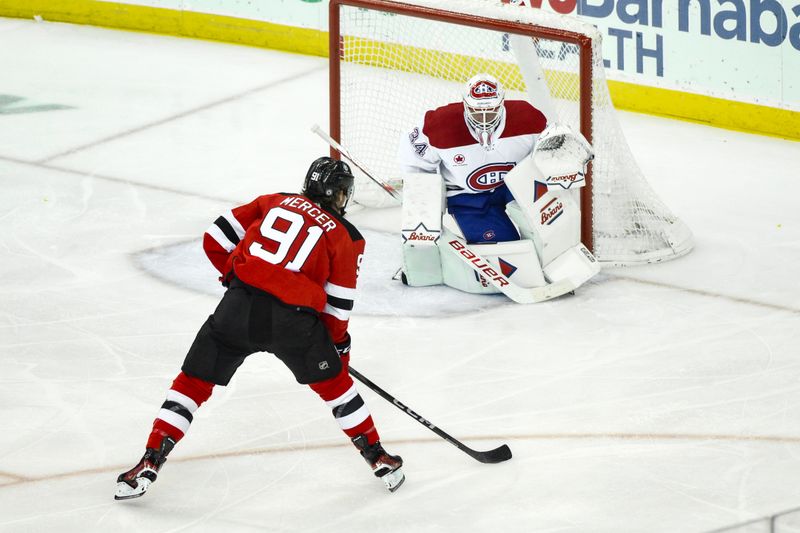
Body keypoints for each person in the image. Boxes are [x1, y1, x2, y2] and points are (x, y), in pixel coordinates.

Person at [115, 157, 405, 500]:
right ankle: (379, 459)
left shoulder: (273, 201)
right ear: (338, 194)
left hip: (238, 308)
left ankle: (150, 460)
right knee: (338, 390)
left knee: (192, 384)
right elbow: (338, 306)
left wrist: (237, 279)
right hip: (294, 323)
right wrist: (337, 349)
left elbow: (214, 238)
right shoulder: (347, 236)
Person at [398, 73, 548, 244]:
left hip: (516, 187)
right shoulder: (438, 126)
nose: (484, 120)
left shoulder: (528, 118)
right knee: (504, 250)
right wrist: (422, 201)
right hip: (468, 198)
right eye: (477, 112)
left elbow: (547, 152)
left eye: (490, 112)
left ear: (501, 105)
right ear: (465, 105)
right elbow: (415, 161)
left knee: (548, 233)